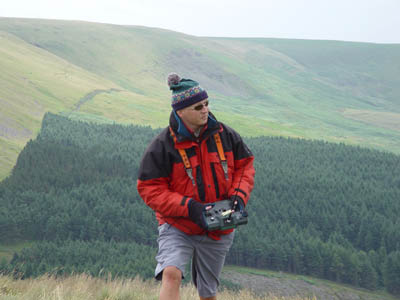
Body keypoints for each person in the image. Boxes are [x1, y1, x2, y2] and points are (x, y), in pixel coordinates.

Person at [137, 73, 255, 300]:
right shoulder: (162, 146)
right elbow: (150, 189)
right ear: (180, 112)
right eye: (198, 106)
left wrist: (238, 197)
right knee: (171, 273)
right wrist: (190, 208)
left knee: (208, 292)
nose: (205, 110)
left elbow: (245, 167)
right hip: (178, 224)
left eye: (207, 104)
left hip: (219, 228)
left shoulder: (226, 135)